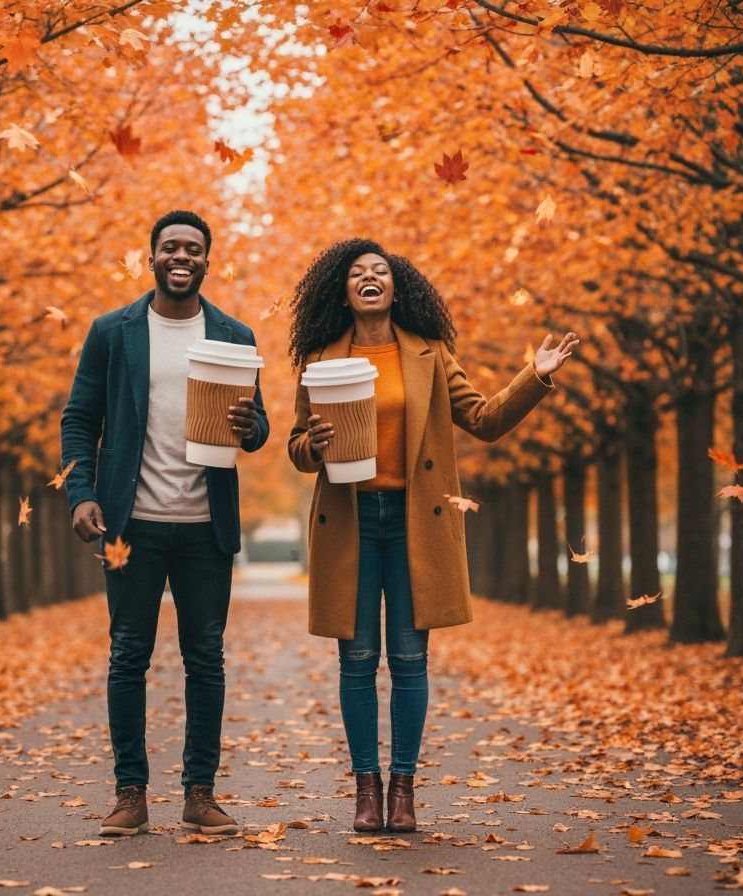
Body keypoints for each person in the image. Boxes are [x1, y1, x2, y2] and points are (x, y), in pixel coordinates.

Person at [286, 239, 577, 833]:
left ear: (398, 288)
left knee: (411, 661)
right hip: (352, 523)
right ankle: (366, 792)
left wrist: (534, 377)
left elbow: (486, 420)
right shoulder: (319, 358)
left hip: (416, 519)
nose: (370, 278)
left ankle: (403, 790)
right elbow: (297, 447)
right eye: (357, 273)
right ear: (341, 291)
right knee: (358, 661)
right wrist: (310, 446)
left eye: (381, 272)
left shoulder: (430, 354)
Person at [60, 210, 269, 836]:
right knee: (128, 655)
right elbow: (79, 419)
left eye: (194, 249)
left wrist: (249, 428)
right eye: (171, 247)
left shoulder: (234, 334)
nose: (182, 256)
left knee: (205, 659)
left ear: (208, 260)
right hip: (130, 527)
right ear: (151, 256)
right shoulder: (112, 331)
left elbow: (256, 426)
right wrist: (80, 493)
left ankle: (199, 794)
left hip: (206, 526)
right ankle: (131, 794)